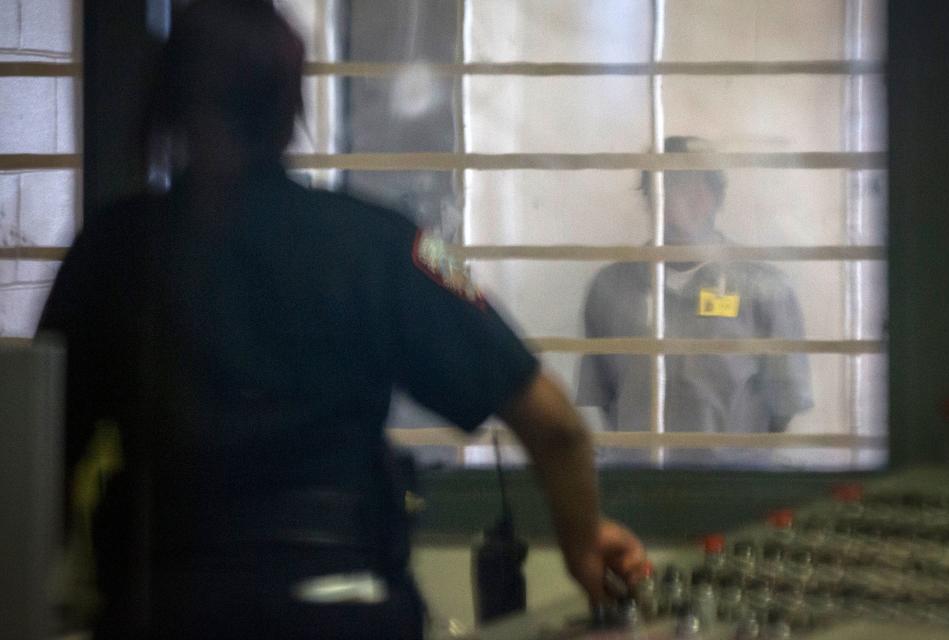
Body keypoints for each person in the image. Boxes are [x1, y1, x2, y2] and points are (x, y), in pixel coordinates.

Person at [38, 1, 645, 638]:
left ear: (167, 97)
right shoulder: (378, 244)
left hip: (164, 612)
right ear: (288, 106)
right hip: (345, 609)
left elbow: (34, 464)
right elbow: (555, 427)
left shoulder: (110, 252)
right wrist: (582, 543)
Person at [577, 136, 813, 467]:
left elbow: (785, 404)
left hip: (732, 486)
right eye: (667, 188)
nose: (680, 205)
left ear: (716, 198)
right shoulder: (611, 287)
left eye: (695, 189)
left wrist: (737, 457)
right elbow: (603, 395)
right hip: (639, 484)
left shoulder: (765, 289)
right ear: (649, 200)